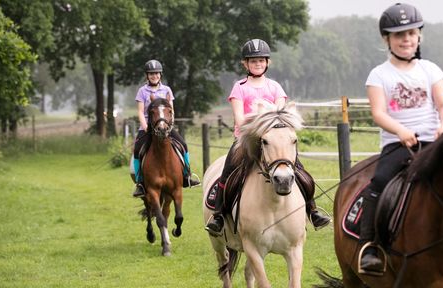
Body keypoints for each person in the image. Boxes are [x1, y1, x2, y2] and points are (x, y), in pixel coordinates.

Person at [358, 3, 443, 274]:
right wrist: (400, 131)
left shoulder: (430, 70)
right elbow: (378, 113)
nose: (406, 40)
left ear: (419, 36)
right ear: (387, 39)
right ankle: (371, 247)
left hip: (434, 141)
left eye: (411, 33)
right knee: (378, 182)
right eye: (399, 35)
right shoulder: (379, 75)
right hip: (398, 144)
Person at [205, 39, 331, 237]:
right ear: (245, 64)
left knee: (299, 170)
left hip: (273, 142)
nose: (258, 64)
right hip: (245, 142)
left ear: (267, 62)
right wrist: (260, 126)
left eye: (261, 60)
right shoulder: (239, 87)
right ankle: (219, 216)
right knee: (228, 171)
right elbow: (239, 119)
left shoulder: (275, 87)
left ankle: (313, 210)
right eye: (253, 61)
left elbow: (280, 114)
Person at [132, 59, 200, 198]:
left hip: (165, 127)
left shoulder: (167, 90)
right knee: (137, 149)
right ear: (147, 75)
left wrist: (170, 125)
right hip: (148, 127)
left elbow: (171, 110)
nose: (154, 76)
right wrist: (145, 126)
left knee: (183, 145)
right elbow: (140, 111)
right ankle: (140, 183)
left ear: (160, 75)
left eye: (156, 73)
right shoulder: (142, 91)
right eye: (151, 74)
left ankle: (187, 175)